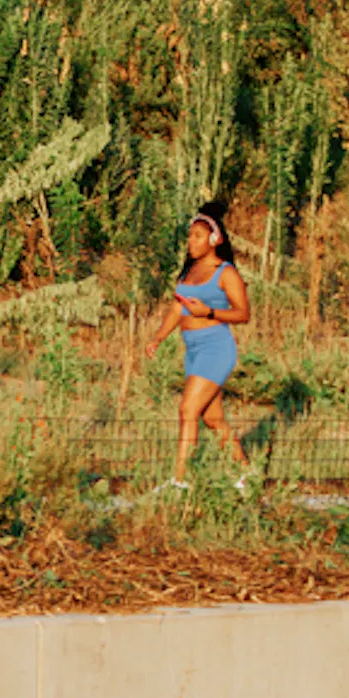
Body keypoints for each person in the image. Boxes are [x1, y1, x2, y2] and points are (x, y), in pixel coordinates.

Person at [143, 206, 253, 493]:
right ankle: (247, 476)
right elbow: (177, 308)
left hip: (216, 348)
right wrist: (158, 338)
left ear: (213, 239)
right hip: (192, 350)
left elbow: (243, 314)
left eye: (197, 236)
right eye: (189, 237)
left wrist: (210, 311)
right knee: (212, 418)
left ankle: (180, 482)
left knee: (187, 410)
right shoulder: (190, 271)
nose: (191, 242)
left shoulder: (225, 273)